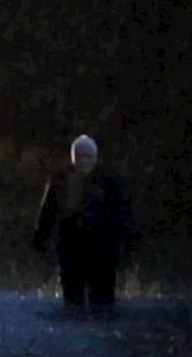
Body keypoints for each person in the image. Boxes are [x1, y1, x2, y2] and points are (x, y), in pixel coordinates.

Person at [32, 134, 133, 315]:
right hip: (90, 249)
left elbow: (48, 212)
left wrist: (41, 238)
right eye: (82, 156)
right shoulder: (106, 179)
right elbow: (122, 214)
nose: (84, 161)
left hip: (89, 249)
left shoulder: (66, 179)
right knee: (94, 302)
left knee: (84, 301)